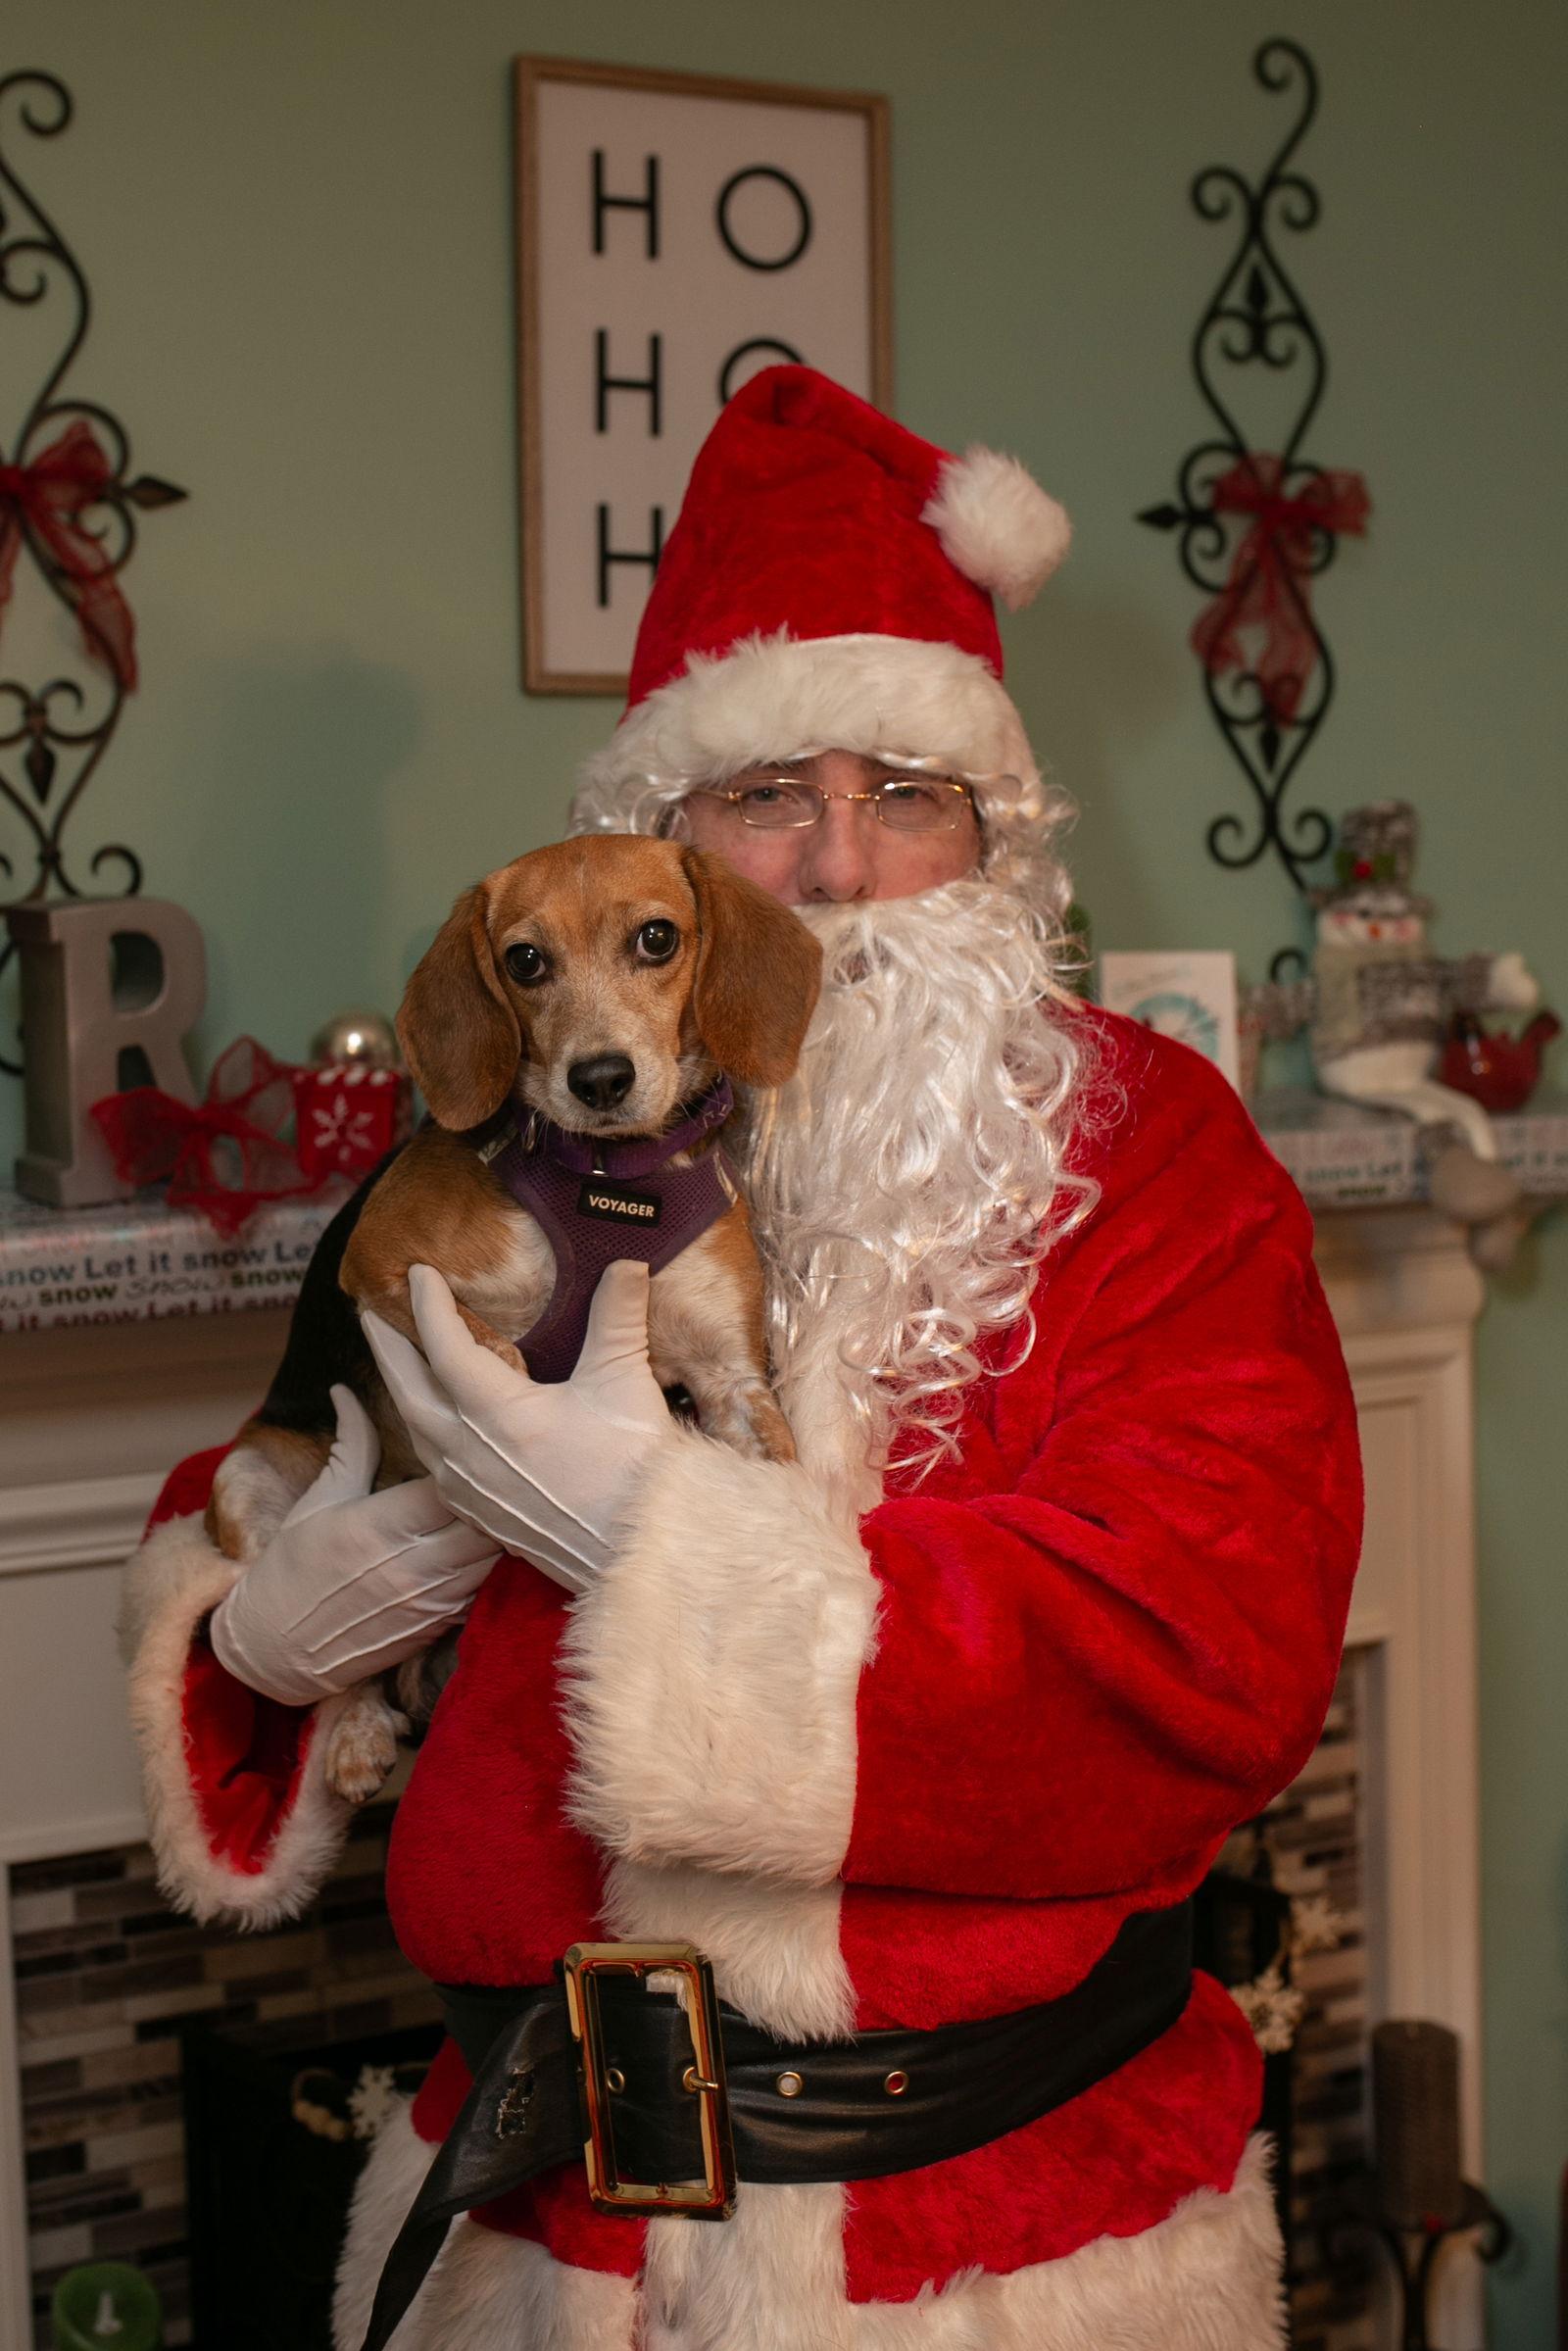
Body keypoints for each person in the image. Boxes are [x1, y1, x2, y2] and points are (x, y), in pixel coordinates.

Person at [119, 366, 1361, 2350]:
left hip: (996, 2251)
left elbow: (1215, 1633)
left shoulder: (1154, 1153)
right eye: (769, 797)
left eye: (906, 796)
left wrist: (658, 1542)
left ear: (996, 839)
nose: (840, 871)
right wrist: (258, 1626)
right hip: (536, 2235)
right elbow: (299, 1426)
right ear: (656, 854)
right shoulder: (510, 1138)